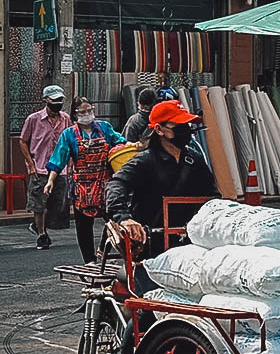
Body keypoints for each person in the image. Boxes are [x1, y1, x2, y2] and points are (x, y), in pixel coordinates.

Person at [107, 100, 217, 265]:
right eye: (178, 126)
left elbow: (212, 195)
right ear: (158, 129)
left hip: (190, 243)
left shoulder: (194, 159)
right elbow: (116, 185)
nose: (185, 130)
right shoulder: (145, 161)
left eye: (187, 125)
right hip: (152, 246)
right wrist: (124, 218)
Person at [45, 97, 127, 263]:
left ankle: (103, 249)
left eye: (89, 110)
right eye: (82, 112)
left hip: (105, 184)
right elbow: (58, 159)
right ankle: (89, 262)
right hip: (82, 188)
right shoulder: (68, 135)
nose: (87, 114)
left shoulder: (105, 128)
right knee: (84, 228)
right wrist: (50, 181)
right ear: (75, 114)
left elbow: (121, 143)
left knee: (113, 221)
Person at [20, 84, 72, 249]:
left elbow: (70, 140)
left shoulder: (65, 118)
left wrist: (71, 164)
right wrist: (30, 163)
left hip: (60, 169)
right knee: (39, 202)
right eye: (54, 100)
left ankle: (38, 225)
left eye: (60, 100)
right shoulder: (34, 119)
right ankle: (42, 234)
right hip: (41, 166)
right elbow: (23, 141)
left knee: (58, 203)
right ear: (46, 100)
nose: (57, 103)